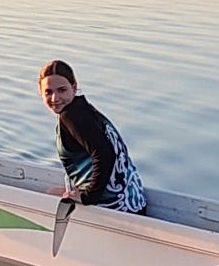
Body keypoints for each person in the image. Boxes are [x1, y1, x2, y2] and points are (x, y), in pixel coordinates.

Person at [37, 60, 146, 212]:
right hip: (135, 202)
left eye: (62, 90)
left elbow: (104, 155)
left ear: (74, 87)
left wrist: (87, 197)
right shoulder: (86, 110)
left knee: (44, 198)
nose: (55, 98)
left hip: (115, 209)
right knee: (52, 192)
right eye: (48, 92)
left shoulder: (71, 117)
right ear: (40, 93)